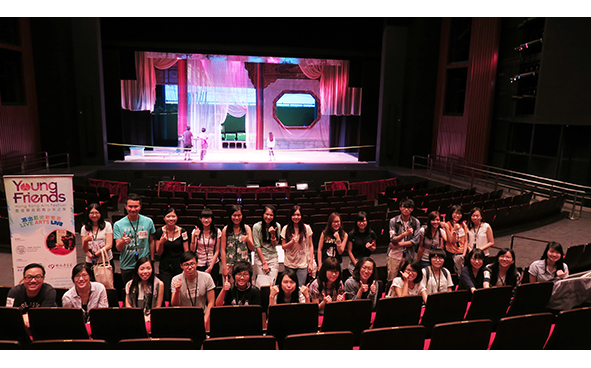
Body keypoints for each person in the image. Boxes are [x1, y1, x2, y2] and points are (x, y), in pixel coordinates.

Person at [114, 193, 156, 286]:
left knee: (146, 290)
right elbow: (118, 248)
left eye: (136, 206)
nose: (133, 209)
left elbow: (151, 241)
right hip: (127, 264)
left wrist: (152, 259)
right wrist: (122, 242)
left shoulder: (148, 221)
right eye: (130, 206)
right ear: (125, 206)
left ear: (140, 206)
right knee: (129, 291)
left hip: (144, 263)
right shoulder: (118, 224)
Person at [171, 251, 216, 326]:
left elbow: (211, 302)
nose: (189, 267)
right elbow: (175, 305)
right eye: (186, 265)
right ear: (181, 266)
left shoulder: (206, 277)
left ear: (197, 263)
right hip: (183, 317)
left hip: (203, 315)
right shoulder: (176, 280)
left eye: (192, 264)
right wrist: (177, 291)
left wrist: (205, 320)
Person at [6, 263, 56, 328]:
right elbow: (9, 314)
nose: (33, 280)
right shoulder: (14, 292)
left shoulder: (49, 292)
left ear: (43, 278)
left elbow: (42, 316)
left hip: (44, 326)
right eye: (29, 277)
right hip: (19, 327)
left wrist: (24, 317)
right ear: (23, 278)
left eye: (37, 277)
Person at [155, 207, 189, 302]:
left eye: (173, 216)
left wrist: (185, 267)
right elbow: (159, 253)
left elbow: (186, 252)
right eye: (168, 216)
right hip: (165, 266)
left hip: (179, 266)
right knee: (166, 290)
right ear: (164, 218)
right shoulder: (159, 232)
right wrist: (161, 242)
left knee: (179, 290)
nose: (171, 219)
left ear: (177, 217)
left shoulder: (183, 232)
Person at [387, 198, 422, 282]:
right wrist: (405, 234)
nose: (406, 209)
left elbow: (415, 241)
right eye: (404, 207)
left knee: (406, 279)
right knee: (391, 279)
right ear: (400, 208)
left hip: (408, 255)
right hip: (394, 255)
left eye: (409, 207)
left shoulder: (415, 222)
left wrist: (399, 245)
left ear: (412, 209)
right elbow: (393, 239)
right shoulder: (393, 221)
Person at [281, 205, 315, 286]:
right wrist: (292, 242)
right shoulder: (285, 228)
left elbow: (310, 246)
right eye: (294, 215)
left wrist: (310, 263)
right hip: (289, 263)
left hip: (302, 264)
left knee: (300, 287)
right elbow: (283, 246)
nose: (296, 217)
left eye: (298, 215)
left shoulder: (307, 228)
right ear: (290, 216)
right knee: (290, 287)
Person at [80, 203, 114, 281]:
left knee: (106, 283)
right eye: (92, 213)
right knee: (92, 284)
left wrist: (96, 254)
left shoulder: (107, 225)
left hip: (105, 260)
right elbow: (85, 250)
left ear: (101, 214)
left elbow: (109, 245)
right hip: (90, 261)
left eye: (97, 213)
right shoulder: (84, 228)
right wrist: (86, 241)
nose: (94, 215)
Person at [220, 205, 254, 281]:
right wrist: (224, 267)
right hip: (230, 265)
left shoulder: (247, 228)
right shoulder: (225, 230)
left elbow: (252, 248)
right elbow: (222, 250)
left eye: (239, 215)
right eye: (234, 215)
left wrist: (248, 240)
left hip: (244, 265)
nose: (236, 218)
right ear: (230, 216)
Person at [252, 205, 281, 287]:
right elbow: (257, 246)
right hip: (260, 259)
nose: (268, 217)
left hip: (273, 257)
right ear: (263, 214)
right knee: (261, 285)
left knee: (272, 284)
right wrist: (264, 263)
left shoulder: (277, 226)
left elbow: (275, 244)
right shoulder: (256, 227)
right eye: (266, 214)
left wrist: (272, 234)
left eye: (271, 215)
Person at [191, 208, 221, 285]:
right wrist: (194, 237)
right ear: (200, 219)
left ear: (212, 219)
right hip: (199, 263)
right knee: (200, 286)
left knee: (212, 286)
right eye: (204, 218)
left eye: (208, 218)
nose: (206, 220)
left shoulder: (217, 231)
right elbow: (192, 250)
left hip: (213, 263)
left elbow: (217, 251)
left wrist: (210, 267)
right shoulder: (195, 231)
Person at [442, 205, 469, 275]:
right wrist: (454, 230)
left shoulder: (463, 225)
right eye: (455, 213)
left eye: (459, 213)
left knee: (462, 274)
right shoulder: (447, 225)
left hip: (461, 253)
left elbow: (466, 241)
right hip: (450, 254)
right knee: (452, 275)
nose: (457, 215)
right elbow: (452, 242)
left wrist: (464, 254)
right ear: (451, 214)